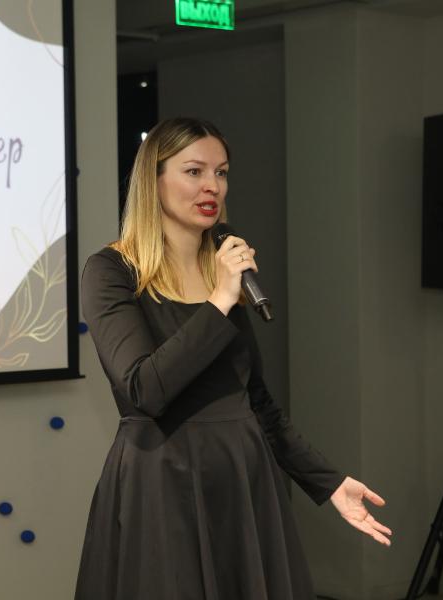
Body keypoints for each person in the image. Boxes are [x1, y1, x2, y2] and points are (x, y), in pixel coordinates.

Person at [75, 117, 391, 600]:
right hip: (162, 482)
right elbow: (145, 390)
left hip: (242, 480)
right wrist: (220, 300)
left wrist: (328, 483)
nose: (212, 186)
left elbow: (255, 401)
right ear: (153, 180)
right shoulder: (112, 271)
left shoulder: (222, 268)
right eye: (194, 171)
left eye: (221, 173)